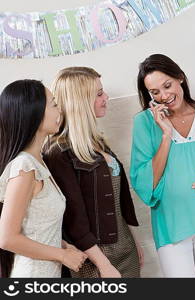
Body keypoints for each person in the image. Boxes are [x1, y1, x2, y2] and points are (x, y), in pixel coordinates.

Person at [131, 54, 195, 277]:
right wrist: (165, 135)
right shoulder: (144, 123)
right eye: (155, 92)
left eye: (167, 86)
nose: (164, 96)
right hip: (171, 224)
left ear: (180, 78)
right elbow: (144, 182)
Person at [43, 67, 143, 278]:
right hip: (94, 259)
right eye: (98, 94)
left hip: (125, 248)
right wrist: (104, 265)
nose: (106, 97)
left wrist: (134, 240)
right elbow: (73, 219)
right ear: (79, 102)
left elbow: (119, 203)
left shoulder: (98, 142)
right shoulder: (58, 153)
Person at [0, 79, 87, 278]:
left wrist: (64, 246)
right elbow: (7, 238)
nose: (60, 111)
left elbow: (35, 228)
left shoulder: (37, 162)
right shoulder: (24, 166)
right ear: (35, 113)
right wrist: (62, 256)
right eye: (54, 104)